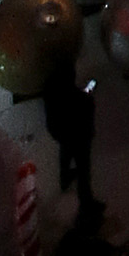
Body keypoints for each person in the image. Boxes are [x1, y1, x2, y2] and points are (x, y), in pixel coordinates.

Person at [40, 52, 99, 219]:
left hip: (60, 132)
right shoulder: (76, 98)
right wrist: (88, 96)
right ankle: (86, 205)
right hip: (79, 136)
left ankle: (64, 178)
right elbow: (83, 106)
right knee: (83, 170)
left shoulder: (50, 88)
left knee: (65, 153)